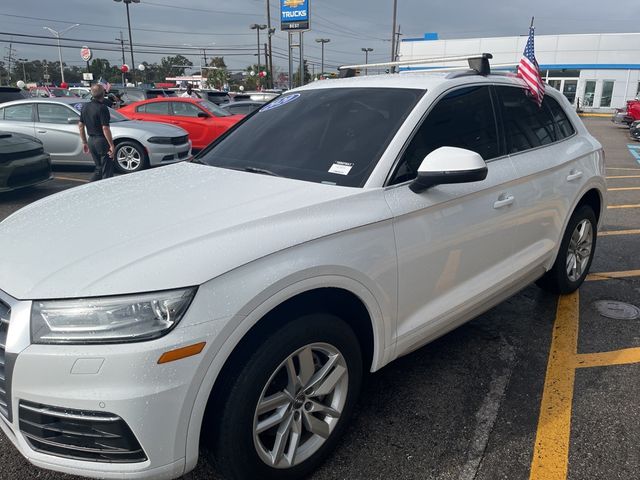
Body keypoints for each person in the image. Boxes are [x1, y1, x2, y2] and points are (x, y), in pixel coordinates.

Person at [78, 84, 116, 181]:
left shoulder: (85, 107)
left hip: (91, 140)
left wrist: (84, 142)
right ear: (103, 93)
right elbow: (105, 128)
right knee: (107, 170)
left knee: (99, 168)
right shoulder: (102, 108)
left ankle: (91, 187)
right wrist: (111, 144)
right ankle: (107, 190)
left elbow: (81, 125)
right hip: (101, 140)